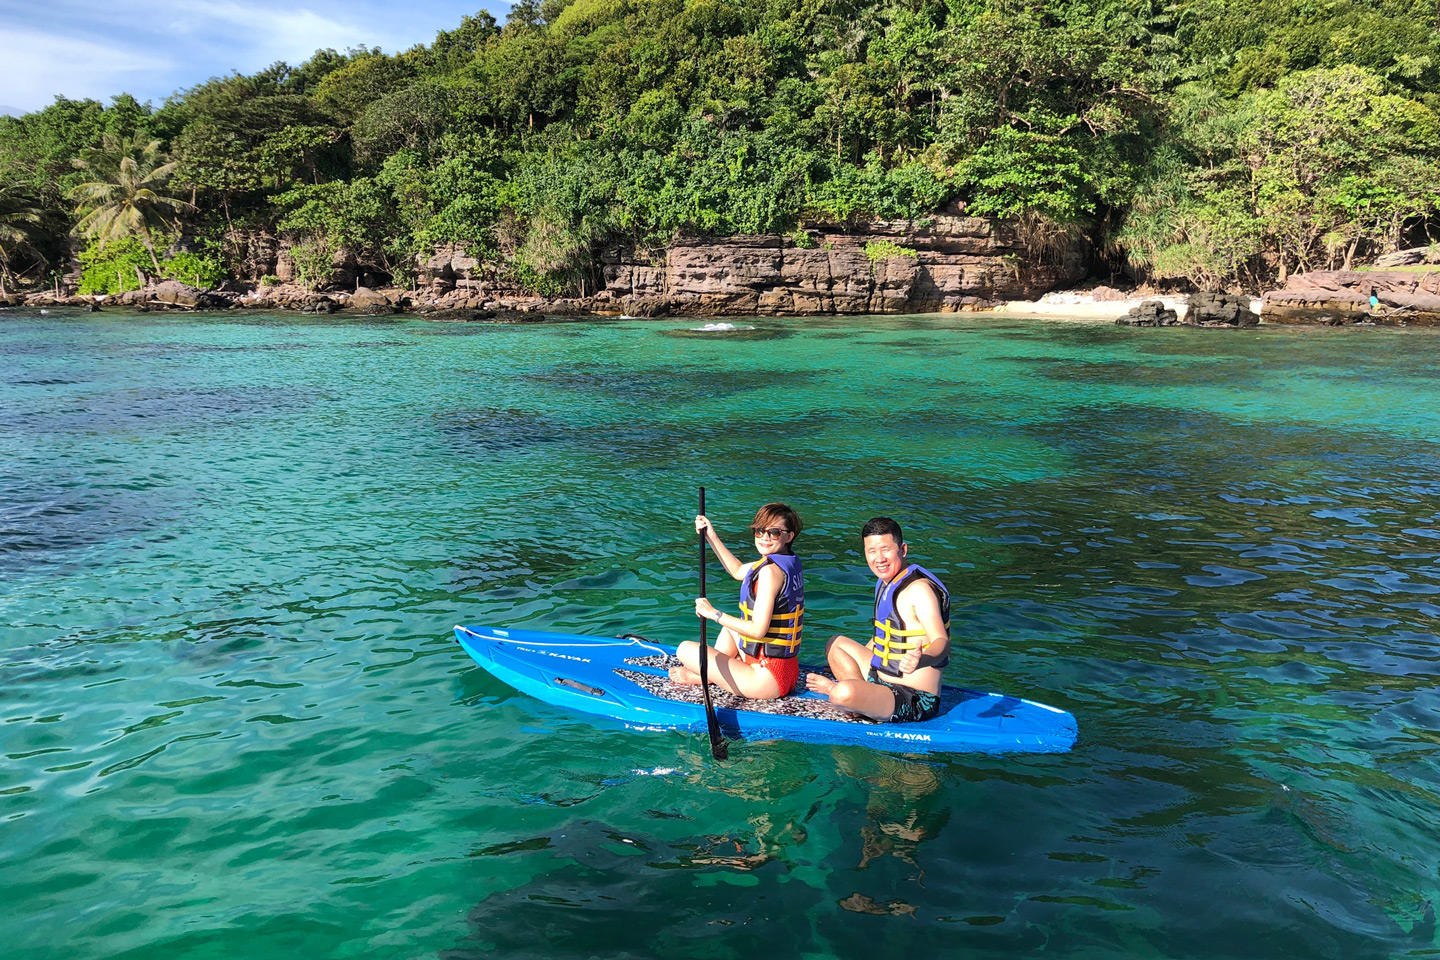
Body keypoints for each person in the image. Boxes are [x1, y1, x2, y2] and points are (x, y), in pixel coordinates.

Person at [806, 517, 949, 722]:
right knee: (835, 644)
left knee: (842, 693)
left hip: (912, 697)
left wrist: (922, 659)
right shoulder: (885, 583)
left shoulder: (919, 590)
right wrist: (855, 661)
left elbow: (941, 642)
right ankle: (861, 697)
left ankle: (841, 693)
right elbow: (884, 636)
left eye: (885, 549)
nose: (879, 558)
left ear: (903, 549)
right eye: (872, 551)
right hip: (879, 680)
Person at [671, 502, 805, 699]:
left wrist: (713, 613)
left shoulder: (769, 572)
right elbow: (737, 570)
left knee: (684, 650)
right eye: (760, 531)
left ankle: (707, 676)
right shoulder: (786, 562)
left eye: (774, 532)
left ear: (789, 536)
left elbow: (758, 630)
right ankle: (711, 673)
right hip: (786, 671)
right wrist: (710, 535)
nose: (765, 537)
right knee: (731, 629)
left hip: (766, 678)